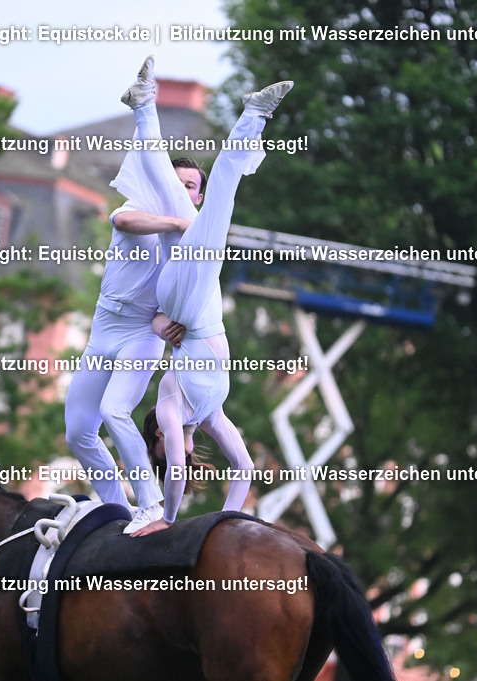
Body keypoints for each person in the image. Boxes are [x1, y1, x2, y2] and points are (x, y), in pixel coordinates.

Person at [129, 76, 293, 537]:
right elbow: (243, 469)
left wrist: (167, 520)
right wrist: (229, 523)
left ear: (157, 439)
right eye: (176, 185)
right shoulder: (213, 413)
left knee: (222, 195)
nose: (172, 446)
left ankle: (249, 114)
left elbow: (176, 471)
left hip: (187, 300)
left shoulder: (170, 404)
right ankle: (250, 115)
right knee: (223, 198)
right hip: (196, 301)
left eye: (188, 187)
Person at [64, 56, 196, 534]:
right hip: (104, 327)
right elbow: (122, 221)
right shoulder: (141, 212)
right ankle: (115, 505)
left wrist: (167, 325)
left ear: (198, 196)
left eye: (189, 189)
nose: (180, 192)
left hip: (141, 333)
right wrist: (176, 221)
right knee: (79, 432)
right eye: (174, 184)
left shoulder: (191, 241)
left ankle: (152, 505)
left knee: (113, 410)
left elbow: (171, 307)